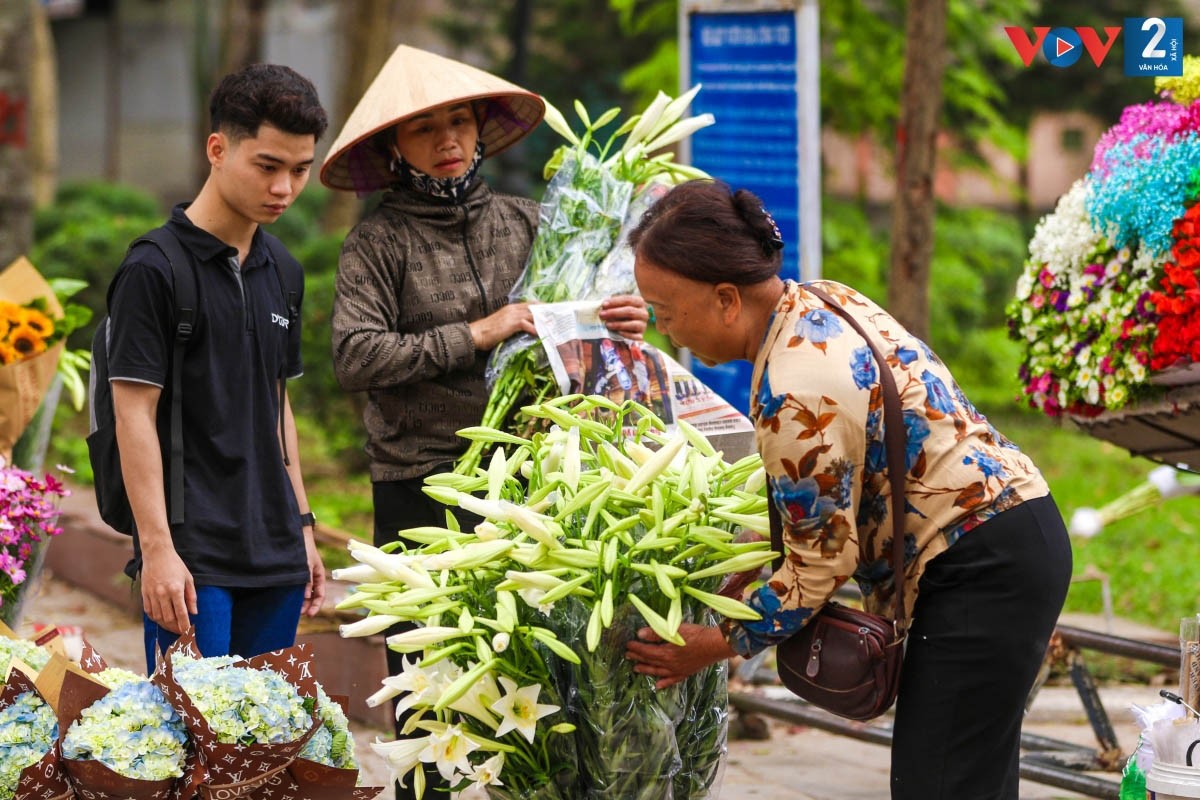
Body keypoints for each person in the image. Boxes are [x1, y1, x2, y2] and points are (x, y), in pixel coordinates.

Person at [623, 180, 1072, 799]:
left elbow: (820, 566)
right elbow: (827, 483)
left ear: (727, 299)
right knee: (965, 779)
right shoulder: (816, 300)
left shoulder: (795, 386)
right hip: (1014, 535)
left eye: (667, 312)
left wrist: (715, 642)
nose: (667, 332)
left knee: (938, 784)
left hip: (981, 566)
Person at [320, 45, 648, 798]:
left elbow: (577, 330)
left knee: (535, 679)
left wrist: (618, 316)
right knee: (432, 688)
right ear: (394, 150)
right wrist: (481, 330)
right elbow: (355, 354)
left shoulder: (531, 222)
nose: (448, 140)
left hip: (529, 484)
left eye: (459, 121)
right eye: (425, 128)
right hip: (421, 486)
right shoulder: (377, 242)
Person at [106, 64, 329, 673]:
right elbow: (133, 414)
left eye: (300, 169)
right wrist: (156, 549)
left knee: (263, 747)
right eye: (268, 165)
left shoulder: (283, 269)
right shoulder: (154, 269)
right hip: (193, 555)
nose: (285, 187)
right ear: (217, 149)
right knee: (194, 748)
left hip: (277, 552)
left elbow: (277, 401)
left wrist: (303, 527)